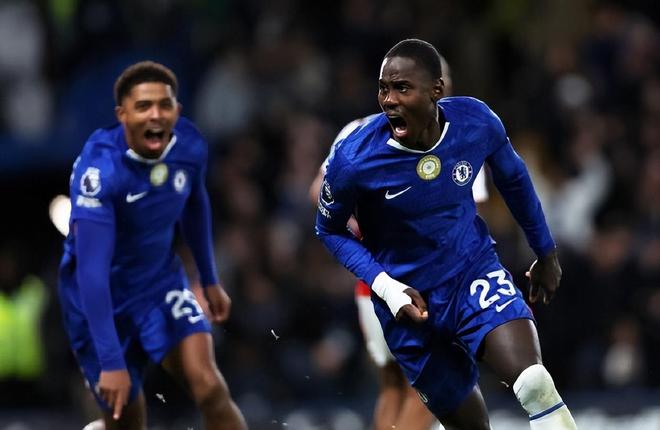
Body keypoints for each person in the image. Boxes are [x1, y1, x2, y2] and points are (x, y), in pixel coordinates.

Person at [315, 39, 578, 429]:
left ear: (437, 90)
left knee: (534, 384)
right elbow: (328, 228)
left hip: (471, 274)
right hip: (407, 303)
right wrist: (386, 286)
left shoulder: (475, 122)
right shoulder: (354, 157)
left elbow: (514, 179)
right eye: (383, 89)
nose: (389, 100)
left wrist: (545, 251)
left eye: (402, 88)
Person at [57, 61, 247, 430]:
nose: (155, 115)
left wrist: (209, 278)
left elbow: (195, 204)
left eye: (164, 105)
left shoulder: (189, 146)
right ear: (122, 115)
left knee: (209, 387)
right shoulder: (100, 171)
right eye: (143, 106)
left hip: (159, 285)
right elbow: (92, 273)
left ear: (177, 109)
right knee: (128, 419)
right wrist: (111, 361)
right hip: (100, 299)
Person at [309, 54, 488, 430]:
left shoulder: (358, 132)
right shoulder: (461, 138)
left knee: (391, 386)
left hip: (372, 283)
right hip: (429, 286)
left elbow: (318, 191)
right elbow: (473, 216)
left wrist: (361, 233)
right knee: (428, 392)